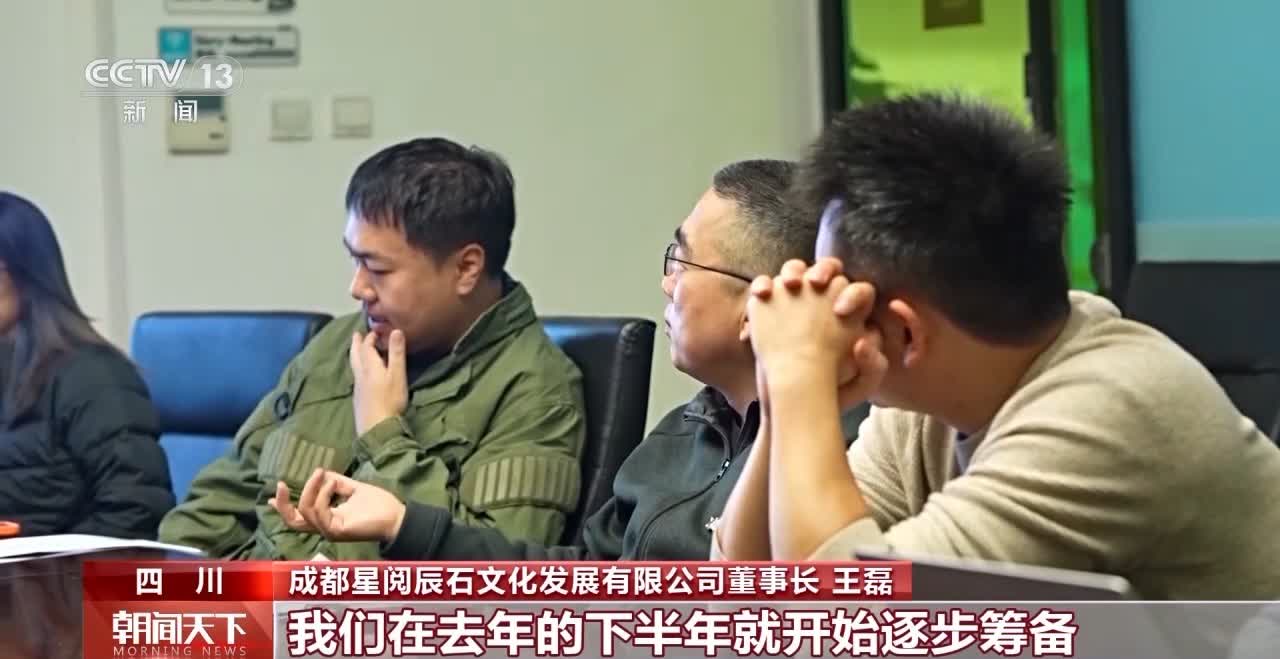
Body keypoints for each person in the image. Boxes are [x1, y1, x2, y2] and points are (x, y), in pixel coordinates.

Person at [715, 93, 1280, 600]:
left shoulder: (1108, 411)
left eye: (830, 289)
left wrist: (798, 376)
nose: (810, 302)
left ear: (906, 333)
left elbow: (843, 622)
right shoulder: (928, 399)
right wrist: (782, 400)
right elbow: (741, 589)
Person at [264, 159, 858, 560]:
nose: (667, 283)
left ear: (762, 300)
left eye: (683, 261)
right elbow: (577, 576)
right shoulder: (685, 431)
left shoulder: (842, 452)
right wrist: (403, 523)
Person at [158, 138, 587, 560]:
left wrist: (384, 435)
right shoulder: (339, 345)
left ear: (466, 268)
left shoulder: (535, 391)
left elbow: (490, 576)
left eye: (377, 268)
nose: (357, 287)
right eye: (355, 260)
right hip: (261, 598)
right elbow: (216, 508)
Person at [0, 192, 173, 538]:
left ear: (26, 274)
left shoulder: (95, 377)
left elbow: (136, 511)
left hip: (57, 570)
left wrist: (46, 568)